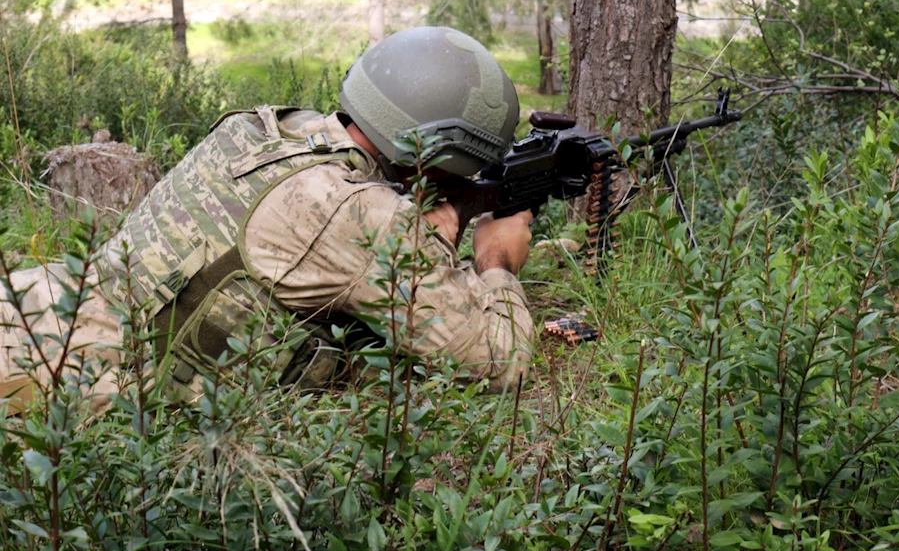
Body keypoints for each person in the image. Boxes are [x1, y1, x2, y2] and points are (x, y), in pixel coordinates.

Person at [0, 26, 535, 417]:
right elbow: (496, 362)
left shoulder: (268, 128)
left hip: (44, 302)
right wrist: (496, 260)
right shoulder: (361, 214)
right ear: (441, 153)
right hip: (78, 376)